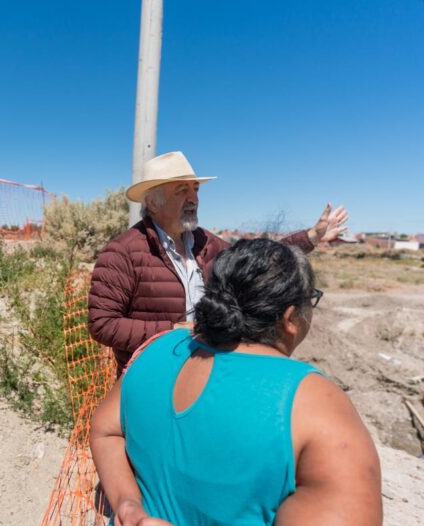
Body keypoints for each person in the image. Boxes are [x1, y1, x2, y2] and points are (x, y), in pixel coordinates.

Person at [90, 238, 382, 526]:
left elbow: (105, 430)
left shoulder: (159, 347)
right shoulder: (314, 400)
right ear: (289, 317)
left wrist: (128, 503)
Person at [88, 151, 349, 374]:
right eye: (182, 191)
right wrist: (176, 330)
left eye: (196, 189)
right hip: (151, 378)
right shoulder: (123, 252)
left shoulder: (207, 243)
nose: (193, 199)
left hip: (203, 374)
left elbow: (253, 262)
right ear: (152, 202)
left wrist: (311, 237)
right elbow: (103, 325)